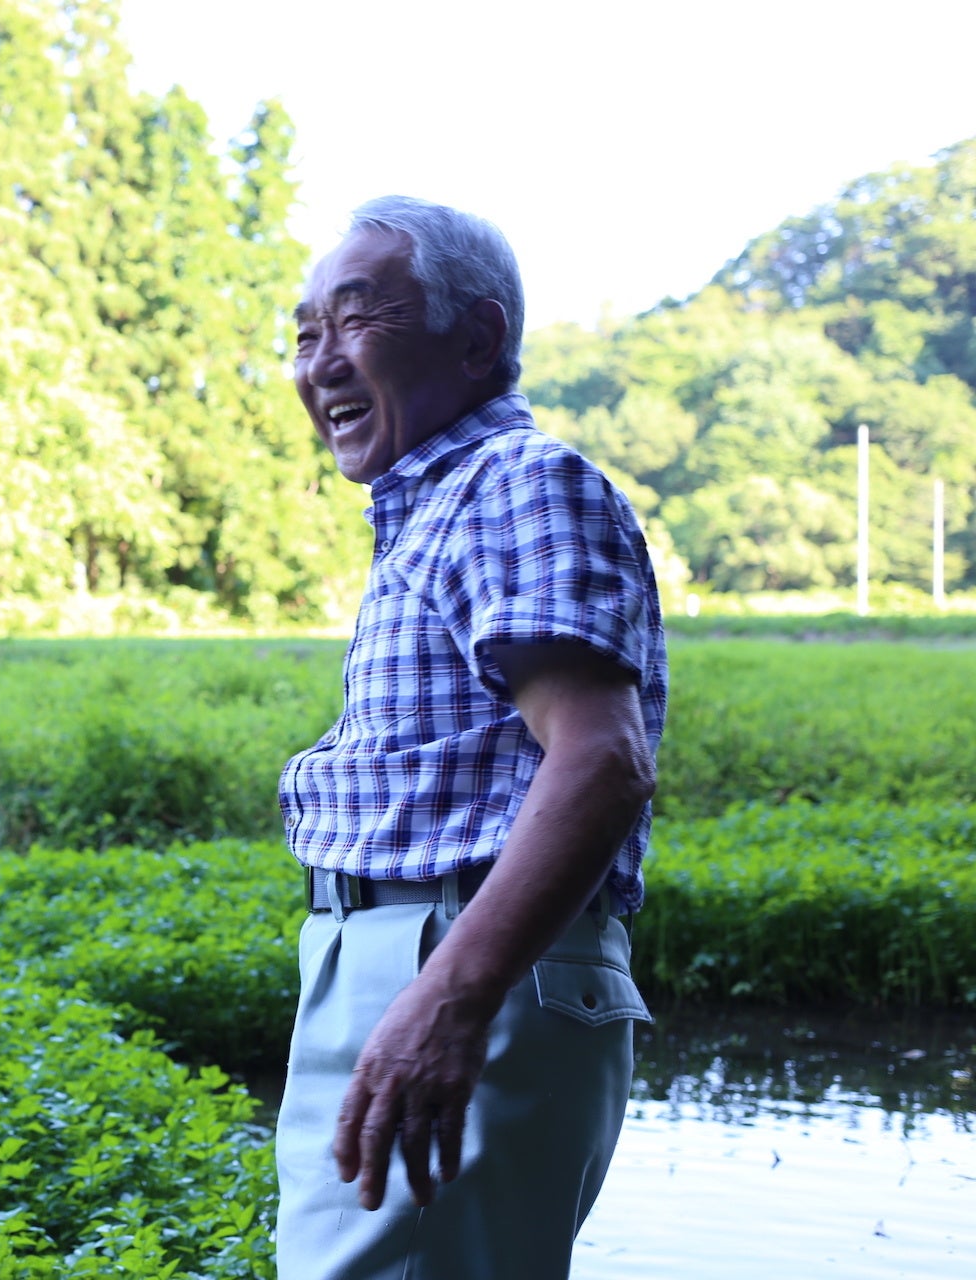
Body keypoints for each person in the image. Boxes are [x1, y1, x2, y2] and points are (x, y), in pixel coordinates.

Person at [274, 196, 667, 1280]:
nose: (322, 363)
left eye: (356, 321)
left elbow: (601, 758)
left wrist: (449, 993)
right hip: (404, 957)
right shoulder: (435, 506)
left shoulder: (516, 483)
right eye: (304, 335)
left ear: (479, 337)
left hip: (454, 959)